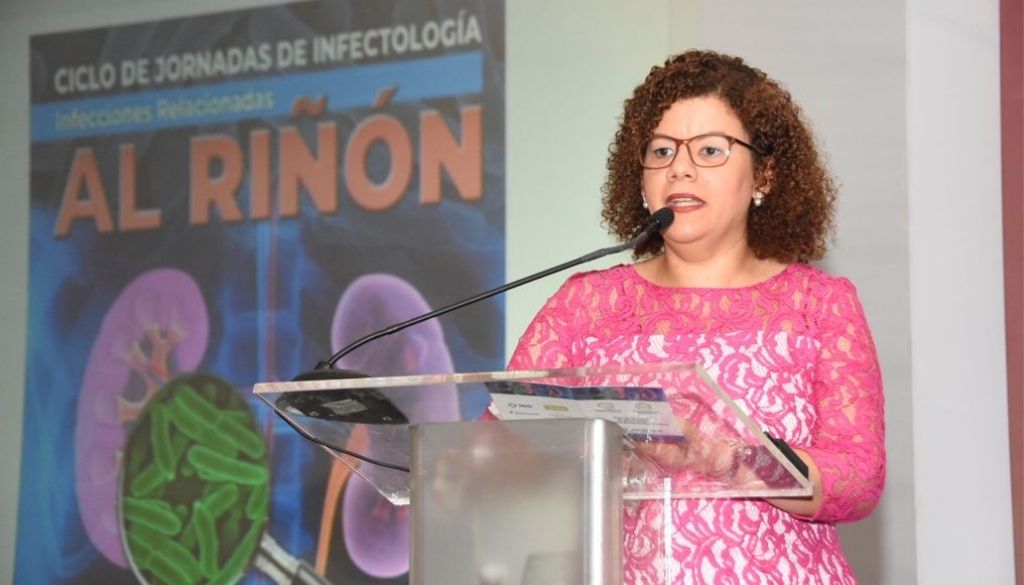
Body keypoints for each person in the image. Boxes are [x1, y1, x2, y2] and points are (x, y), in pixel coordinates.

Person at [507, 50, 885, 584]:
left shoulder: (818, 304)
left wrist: (723, 457)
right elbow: (503, 442)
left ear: (764, 175)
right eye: (661, 151)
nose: (679, 168)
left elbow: (858, 479)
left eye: (710, 150)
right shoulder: (586, 304)